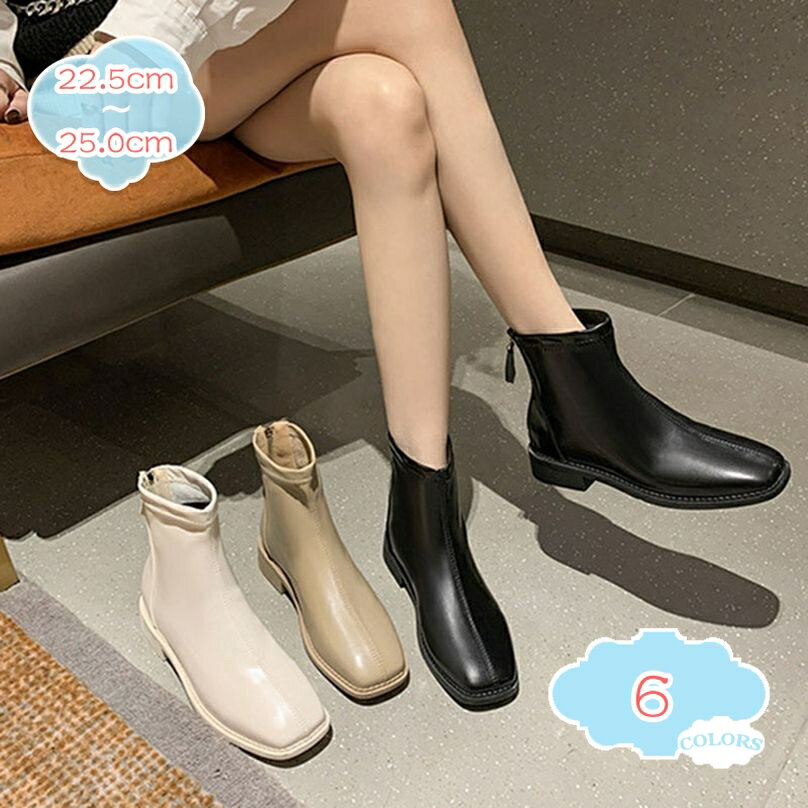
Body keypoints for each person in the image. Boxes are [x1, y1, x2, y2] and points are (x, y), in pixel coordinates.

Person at [1, 0, 789, 709]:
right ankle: (577, 389)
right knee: (412, 4)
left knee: (386, 105)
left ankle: (425, 518)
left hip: (203, 50)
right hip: (115, 74)